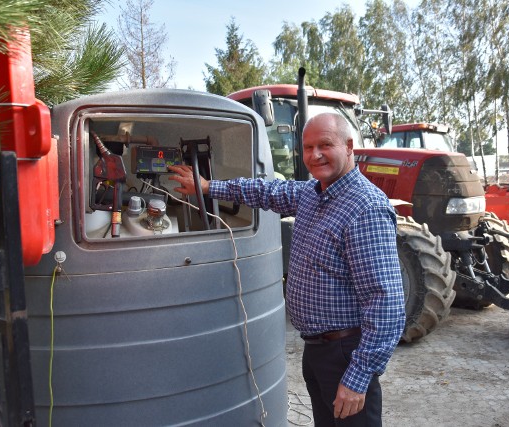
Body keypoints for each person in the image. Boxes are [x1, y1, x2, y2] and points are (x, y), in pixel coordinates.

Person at [169, 112, 405, 426]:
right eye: (308, 147)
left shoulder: (366, 207)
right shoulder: (312, 193)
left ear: (349, 147)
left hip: (346, 354)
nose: (315, 154)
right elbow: (263, 192)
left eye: (325, 145)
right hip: (317, 350)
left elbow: (385, 302)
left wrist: (358, 377)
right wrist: (208, 186)